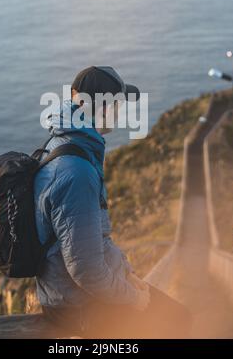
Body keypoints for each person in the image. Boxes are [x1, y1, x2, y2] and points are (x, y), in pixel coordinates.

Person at [34, 66, 188, 338]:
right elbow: (86, 269)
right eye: (116, 104)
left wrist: (128, 276)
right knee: (178, 322)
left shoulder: (65, 144)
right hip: (79, 304)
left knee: (179, 317)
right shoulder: (76, 172)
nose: (120, 111)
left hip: (75, 293)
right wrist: (133, 298)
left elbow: (91, 247)